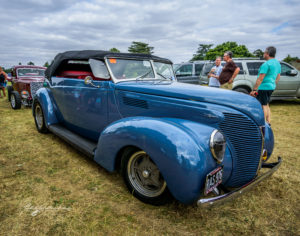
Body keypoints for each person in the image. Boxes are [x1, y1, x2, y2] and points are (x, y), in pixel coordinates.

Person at [250, 46, 281, 125]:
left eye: (264, 53)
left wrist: (254, 90)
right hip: (271, 87)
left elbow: (260, 78)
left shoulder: (266, 64)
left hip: (264, 87)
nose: (263, 54)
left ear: (267, 54)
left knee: (263, 105)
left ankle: (263, 123)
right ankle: (268, 121)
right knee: (266, 104)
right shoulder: (277, 63)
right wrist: (273, 84)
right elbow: (278, 76)